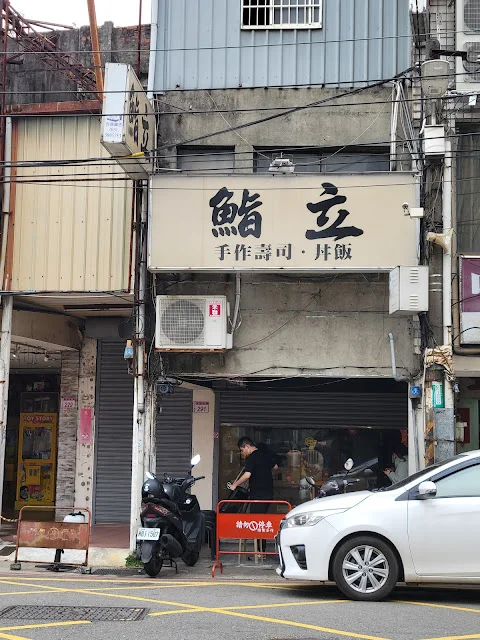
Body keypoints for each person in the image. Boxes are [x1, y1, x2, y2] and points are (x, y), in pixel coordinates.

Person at [230, 437, 278, 554]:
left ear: (247, 446)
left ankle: (260, 552)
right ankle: (262, 551)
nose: (243, 453)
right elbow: (275, 467)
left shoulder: (252, 457)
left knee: (256, 523)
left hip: (258, 495)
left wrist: (235, 484)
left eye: (242, 450)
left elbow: (247, 475)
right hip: (268, 494)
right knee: (262, 521)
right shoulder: (265, 455)